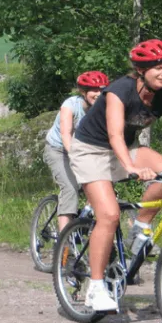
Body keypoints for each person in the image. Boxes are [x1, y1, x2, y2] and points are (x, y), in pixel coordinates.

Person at [69, 40, 162, 311]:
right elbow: (115, 133)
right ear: (141, 70)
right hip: (91, 150)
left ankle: (139, 227)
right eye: (158, 68)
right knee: (109, 214)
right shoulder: (120, 90)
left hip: (124, 150)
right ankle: (95, 288)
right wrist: (130, 166)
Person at [43, 71, 109, 232]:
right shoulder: (70, 105)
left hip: (85, 151)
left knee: (104, 187)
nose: (98, 94)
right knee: (70, 189)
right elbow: (66, 134)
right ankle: (64, 244)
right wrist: (76, 158)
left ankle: (85, 220)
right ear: (83, 92)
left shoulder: (105, 108)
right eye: (93, 90)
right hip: (58, 150)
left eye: (102, 90)